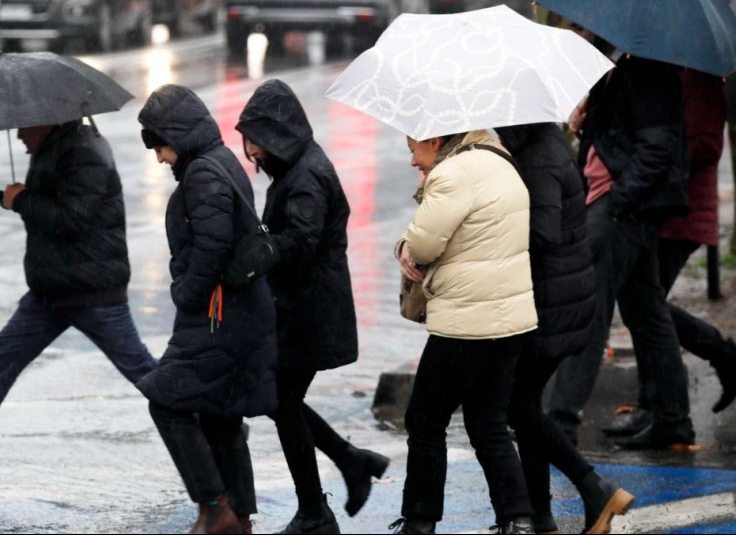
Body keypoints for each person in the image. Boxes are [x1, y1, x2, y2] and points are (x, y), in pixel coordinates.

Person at [0, 119, 157, 476]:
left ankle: (207, 422)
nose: (20, 135)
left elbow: (73, 219)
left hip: (92, 291)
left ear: (46, 121)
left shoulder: (84, 153)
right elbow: (54, 208)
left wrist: (22, 199)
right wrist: (21, 198)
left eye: (24, 127)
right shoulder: (55, 148)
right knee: (4, 354)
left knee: (142, 369)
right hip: (52, 290)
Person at [231, 79, 389, 535]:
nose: (253, 152)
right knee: (283, 400)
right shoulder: (296, 168)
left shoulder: (307, 175)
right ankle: (347, 467)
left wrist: (259, 253)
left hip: (310, 311)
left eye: (257, 140)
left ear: (278, 133)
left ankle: (318, 507)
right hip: (301, 307)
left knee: (280, 399)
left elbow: (302, 239)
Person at [136, 84, 278, 535]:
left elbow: (213, 245)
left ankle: (216, 509)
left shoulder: (203, 174)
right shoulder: (220, 162)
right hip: (239, 315)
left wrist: (188, 295)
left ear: (177, 134)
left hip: (218, 317)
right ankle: (239, 515)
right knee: (220, 412)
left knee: (167, 400)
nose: (159, 157)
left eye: (160, 144)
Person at [546, 37, 696, 450]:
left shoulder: (648, 65)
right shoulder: (620, 63)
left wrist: (618, 204)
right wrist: (587, 118)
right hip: (620, 205)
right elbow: (623, 135)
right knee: (646, 311)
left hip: (620, 208)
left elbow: (658, 147)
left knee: (588, 314)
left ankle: (559, 425)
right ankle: (673, 421)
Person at [389, 129, 537, 535]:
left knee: (425, 420)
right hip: (509, 320)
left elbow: (422, 245)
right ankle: (518, 519)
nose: (412, 161)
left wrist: (403, 243)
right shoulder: (500, 160)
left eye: (414, 149)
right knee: (488, 421)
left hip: (465, 324)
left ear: (435, 141)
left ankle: (419, 521)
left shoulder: (453, 173)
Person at [497, 123, 635, 535]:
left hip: (550, 301)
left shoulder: (537, 157)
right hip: (557, 296)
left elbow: (540, 232)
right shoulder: (544, 144)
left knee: (516, 405)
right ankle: (542, 516)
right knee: (525, 405)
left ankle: (595, 487)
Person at [602, 69, 736, 439]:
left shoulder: (698, 80)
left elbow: (707, 145)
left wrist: (657, 145)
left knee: (646, 308)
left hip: (682, 215)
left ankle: (679, 397)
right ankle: (658, 403)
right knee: (643, 307)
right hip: (659, 211)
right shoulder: (663, 74)